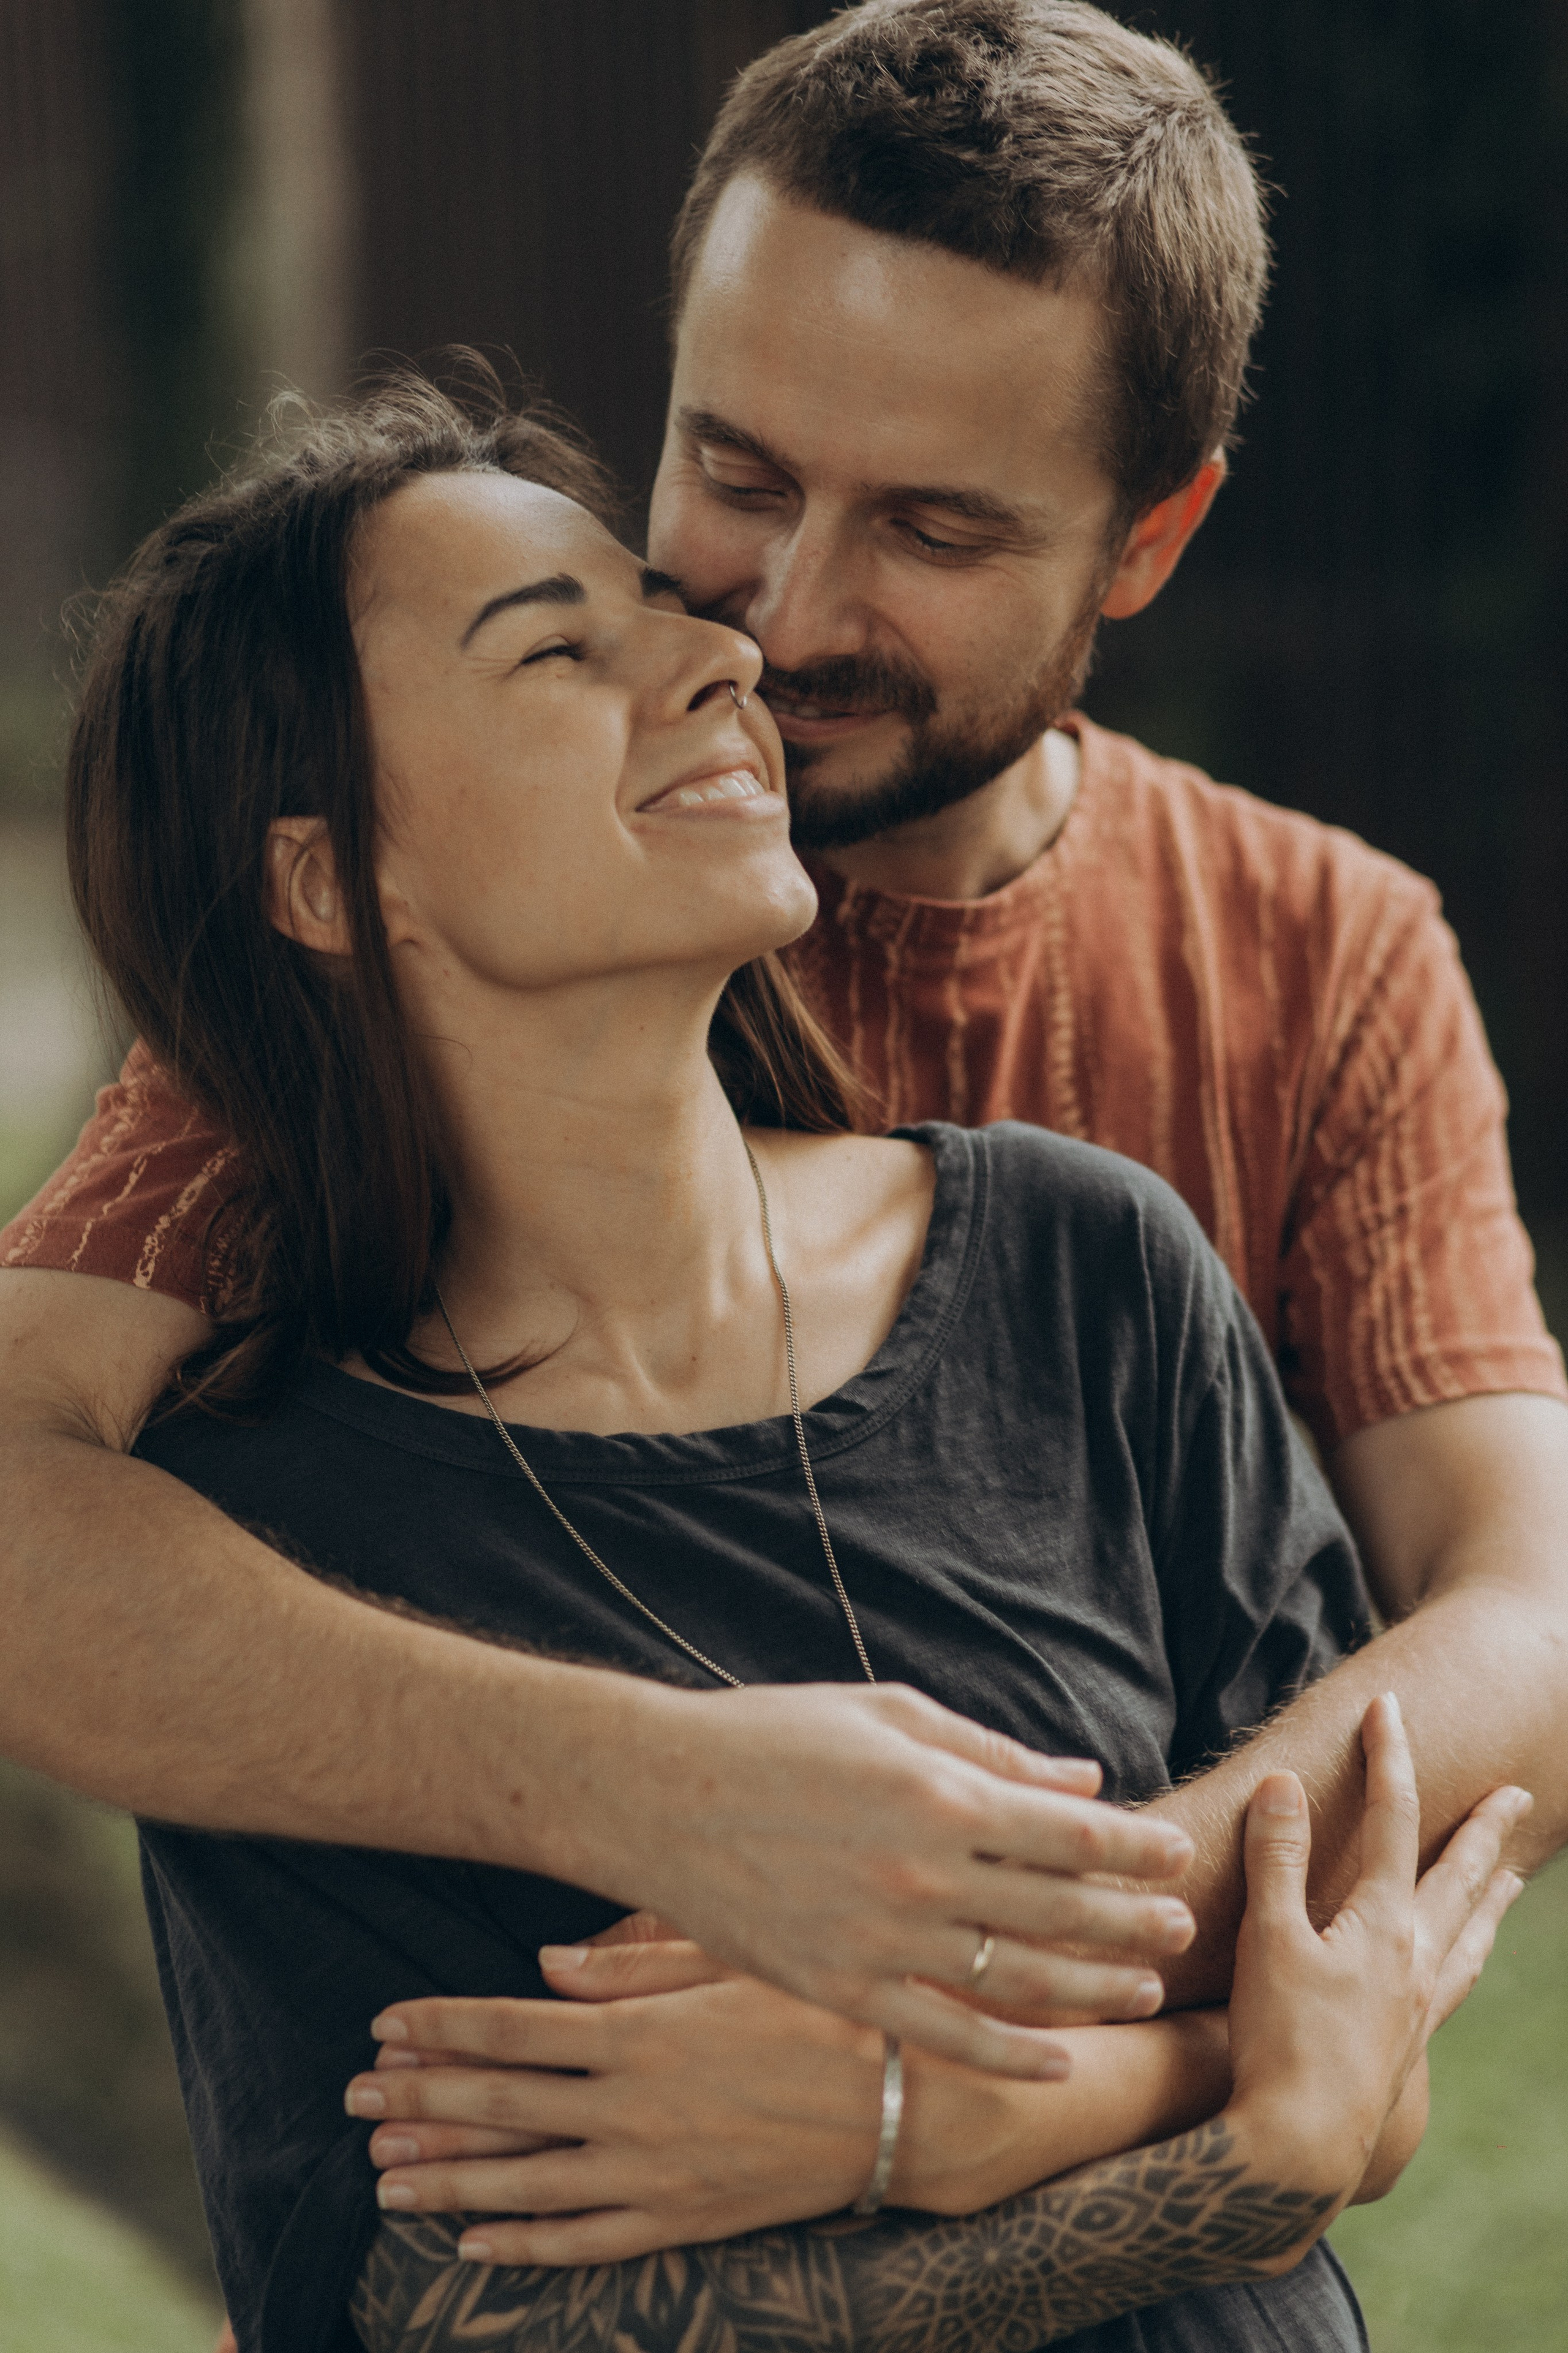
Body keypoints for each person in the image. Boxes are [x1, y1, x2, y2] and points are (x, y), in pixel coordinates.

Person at [4, 0, 1567, 2050]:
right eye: (735, 469)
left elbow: (1525, 1616)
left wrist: (971, 2002)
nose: (781, 618)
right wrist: (659, 1795)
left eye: (934, 530)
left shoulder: (1322, 952)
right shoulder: (483, 912)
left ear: (1149, 539)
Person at [63, 369, 1521, 2353]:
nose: (714, 654)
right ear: (330, 880)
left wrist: (974, 2111)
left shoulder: (1088, 1267)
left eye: (659, 603)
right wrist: (1222, 2158)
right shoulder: (272, 1552)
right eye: (557, 645)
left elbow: (1369, 2030)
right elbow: (452, 2314)